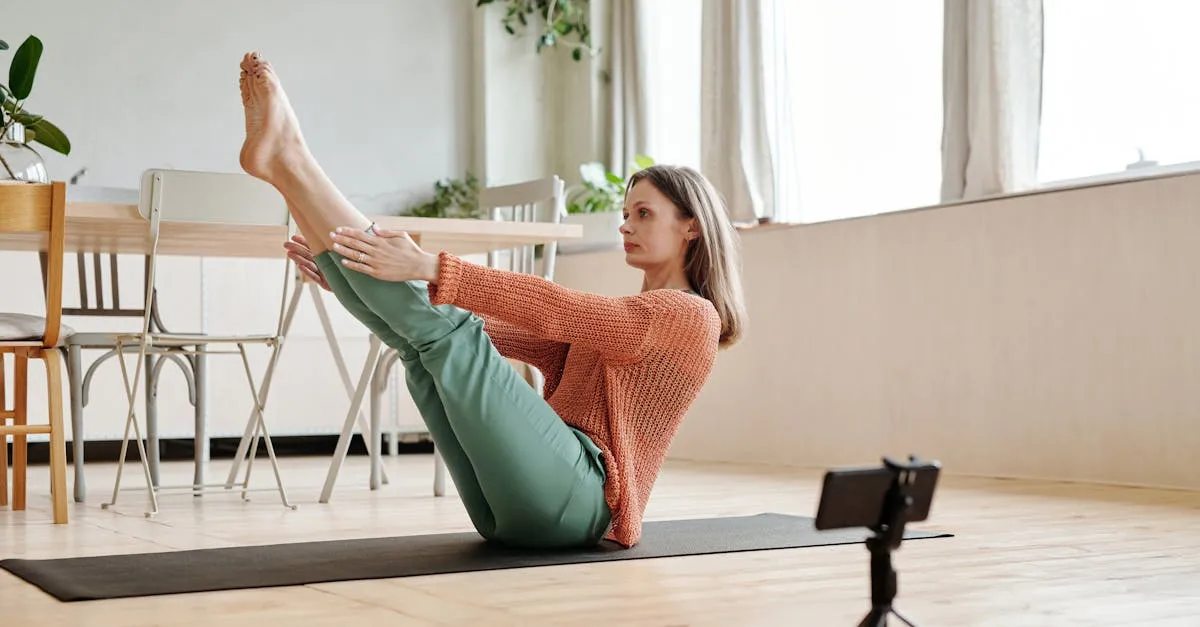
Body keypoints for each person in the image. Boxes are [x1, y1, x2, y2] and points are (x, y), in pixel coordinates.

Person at [237, 51, 747, 549]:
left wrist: (431, 268)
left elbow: (555, 308)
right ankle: (282, 169)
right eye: (626, 214)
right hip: (519, 507)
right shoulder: (638, 320)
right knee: (421, 344)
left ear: (692, 227)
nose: (625, 225)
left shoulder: (690, 315)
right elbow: (487, 331)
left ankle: (293, 157)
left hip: (580, 499)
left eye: (644, 214)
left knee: (445, 333)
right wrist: (352, 280)